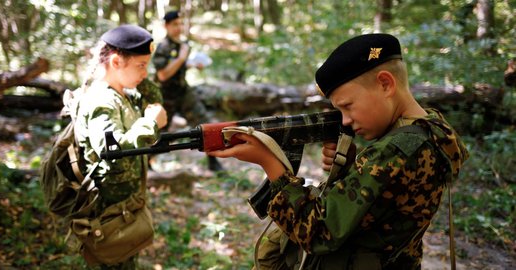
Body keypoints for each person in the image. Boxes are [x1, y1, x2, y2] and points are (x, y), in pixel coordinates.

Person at [208, 33, 469, 269]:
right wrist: (354, 170)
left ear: (386, 84)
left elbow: (317, 232)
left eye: (347, 105)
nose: (344, 120)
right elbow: (386, 201)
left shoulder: (396, 151)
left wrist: (271, 164)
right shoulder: (432, 127)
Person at [73, 24, 167, 269]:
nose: (145, 73)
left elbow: (154, 96)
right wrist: (149, 124)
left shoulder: (122, 93)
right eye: (141, 65)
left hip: (125, 207)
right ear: (116, 62)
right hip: (107, 213)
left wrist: (142, 76)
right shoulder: (100, 102)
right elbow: (112, 152)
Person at [152, 10, 224, 172]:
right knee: (159, 132)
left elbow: (179, 67)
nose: (178, 27)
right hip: (166, 95)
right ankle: (148, 162)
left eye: (180, 24)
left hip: (183, 92)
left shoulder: (182, 45)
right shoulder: (163, 47)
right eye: (174, 24)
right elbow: (163, 75)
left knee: (205, 124)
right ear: (166, 26)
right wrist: (182, 59)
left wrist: (191, 64)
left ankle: (213, 161)